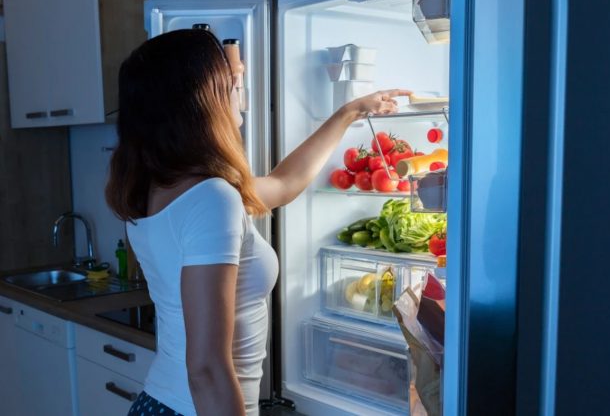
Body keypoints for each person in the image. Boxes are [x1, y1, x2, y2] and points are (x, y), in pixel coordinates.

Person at [105, 28, 410, 416]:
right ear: (204, 99)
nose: (239, 83)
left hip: (163, 403)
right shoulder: (211, 199)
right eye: (230, 80)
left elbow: (284, 184)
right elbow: (207, 369)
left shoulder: (158, 188)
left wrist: (349, 112)